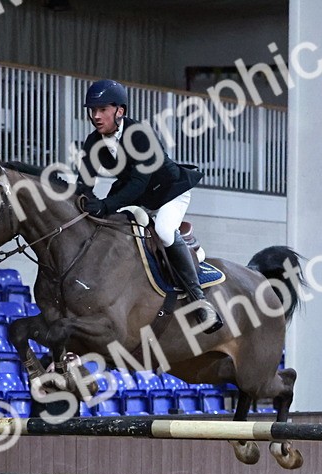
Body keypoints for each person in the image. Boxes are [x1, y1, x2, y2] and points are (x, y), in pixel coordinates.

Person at [74, 79, 222, 334]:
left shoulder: (139, 135)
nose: (96, 116)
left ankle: (200, 302)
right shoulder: (93, 141)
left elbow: (138, 183)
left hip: (169, 192)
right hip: (140, 198)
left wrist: (106, 204)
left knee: (164, 231)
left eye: (102, 110)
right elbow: (84, 183)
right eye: (93, 110)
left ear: (119, 111)